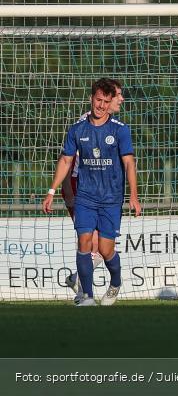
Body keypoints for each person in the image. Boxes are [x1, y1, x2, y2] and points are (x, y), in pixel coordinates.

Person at [42, 78, 141, 306]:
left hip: (110, 198)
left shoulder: (120, 130)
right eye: (98, 100)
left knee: (106, 250)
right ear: (91, 99)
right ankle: (86, 295)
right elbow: (66, 160)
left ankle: (115, 282)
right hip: (85, 196)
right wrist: (52, 191)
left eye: (107, 101)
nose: (102, 105)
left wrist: (133, 196)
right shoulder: (78, 129)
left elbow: (129, 163)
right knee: (84, 241)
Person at [63, 79, 124, 302]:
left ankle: (79, 281)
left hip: (104, 191)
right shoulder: (84, 126)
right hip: (81, 186)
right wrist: (66, 191)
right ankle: (83, 291)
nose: (120, 99)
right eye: (118, 94)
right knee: (89, 242)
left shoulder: (115, 127)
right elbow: (69, 161)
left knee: (102, 247)